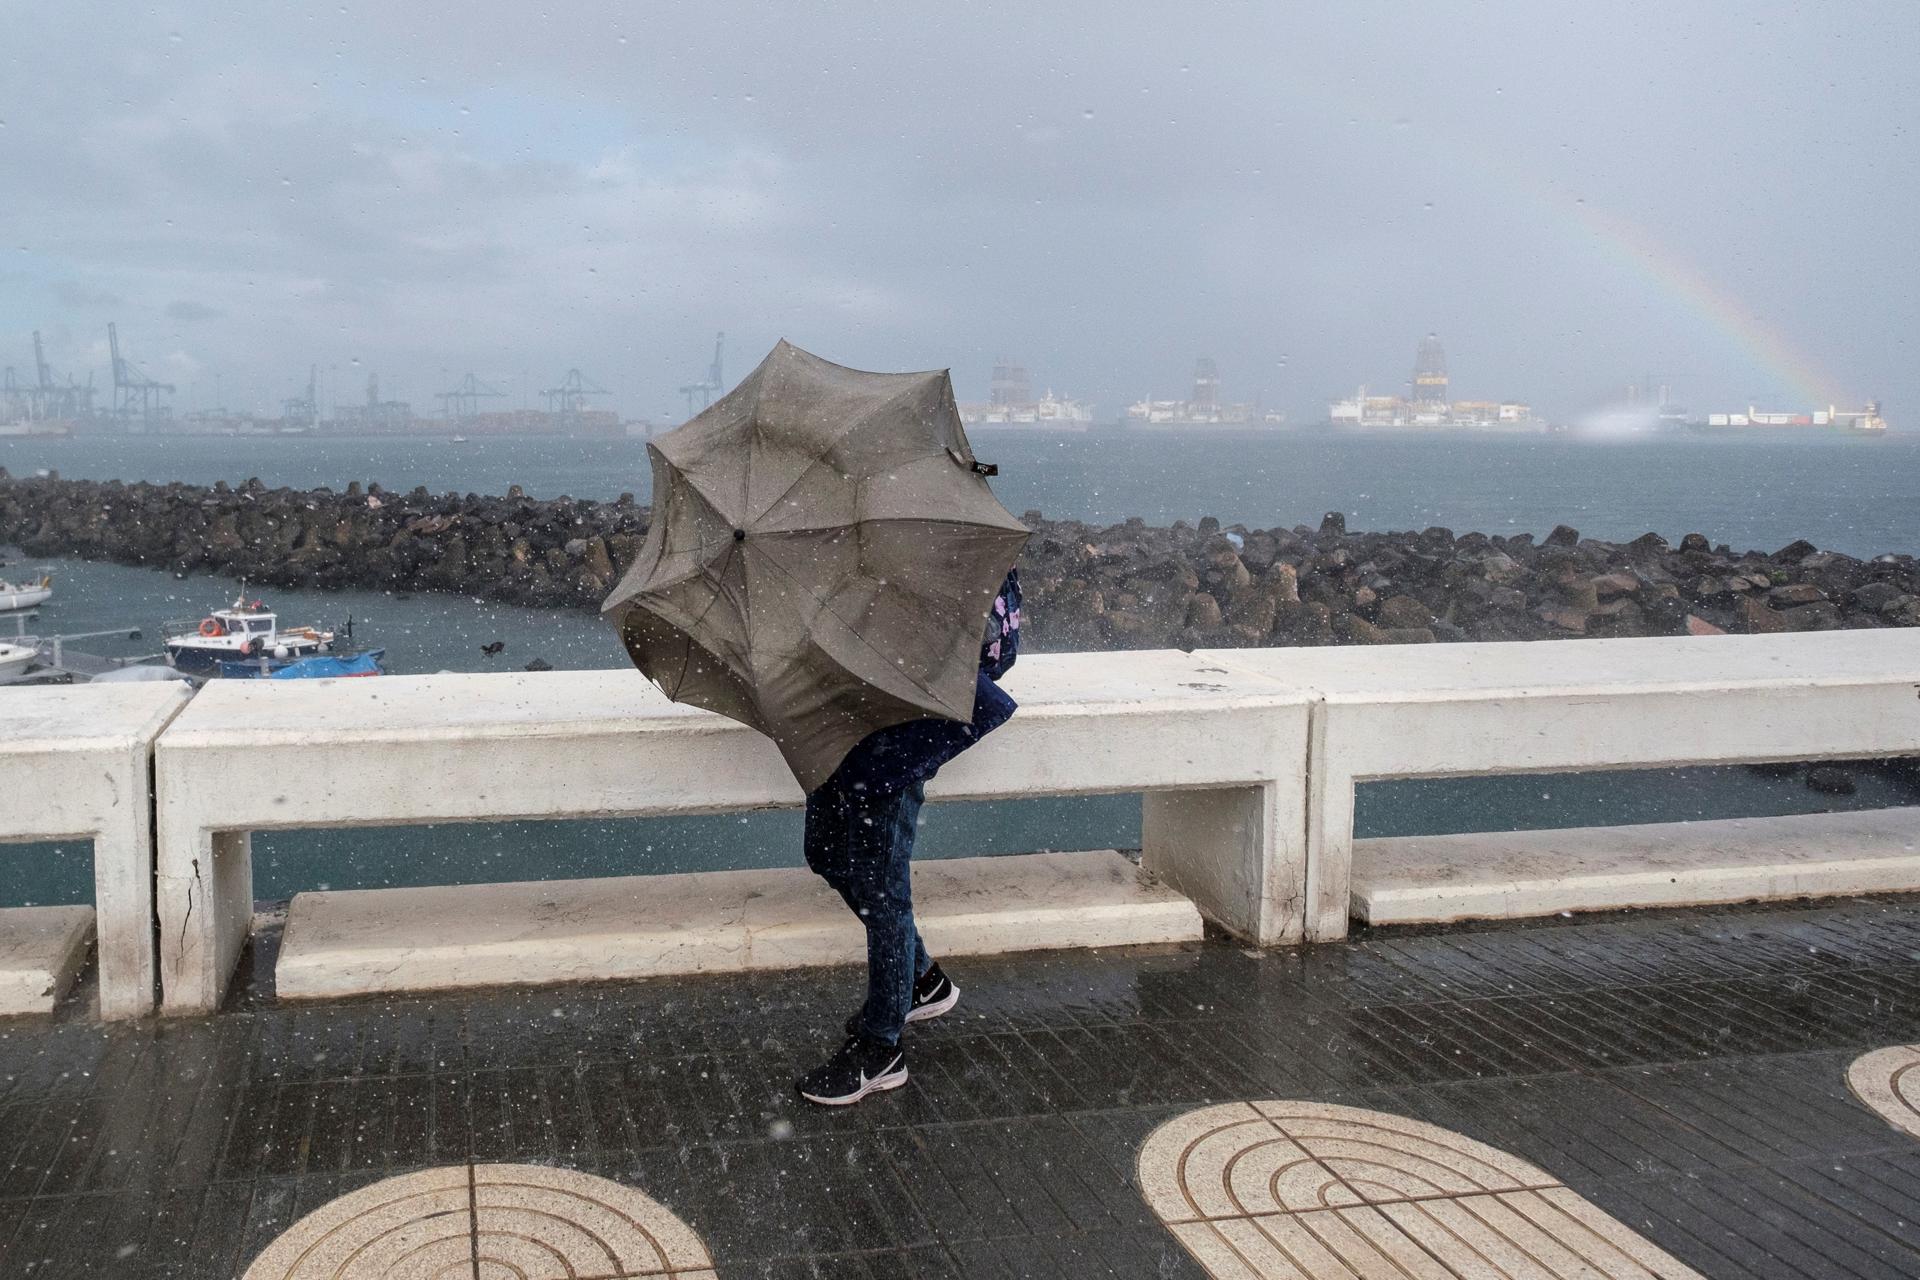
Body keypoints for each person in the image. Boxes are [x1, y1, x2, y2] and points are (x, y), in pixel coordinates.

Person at [794, 567, 1024, 1105]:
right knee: (825, 852)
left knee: (884, 894)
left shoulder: (934, 534)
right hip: (845, 720)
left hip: (900, 732)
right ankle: (922, 981)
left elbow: (980, 643)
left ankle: (882, 1050)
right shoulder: (858, 524)